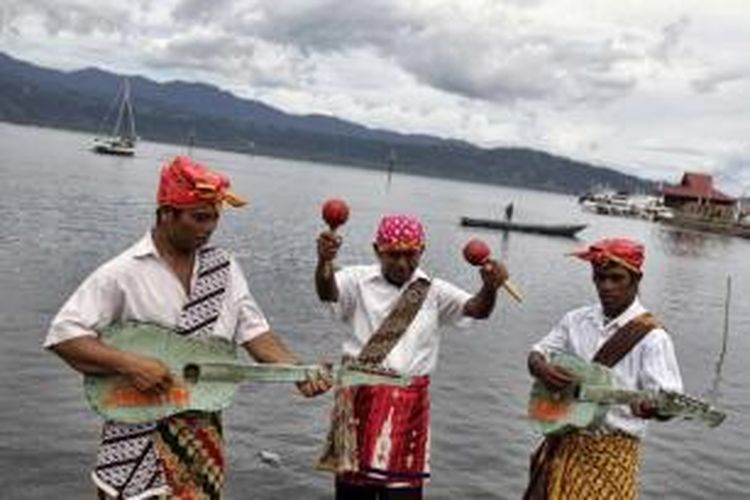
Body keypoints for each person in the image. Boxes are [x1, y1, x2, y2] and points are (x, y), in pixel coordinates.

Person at [44, 156, 331, 499]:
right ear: (166, 212)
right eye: (199, 217)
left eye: (214, 218)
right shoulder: (123, 272)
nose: (209, 228)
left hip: (202, 432)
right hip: (137, 430)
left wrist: (297, 370)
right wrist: (131, 364)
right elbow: (64, 335)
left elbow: (255, 333)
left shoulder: (223, 269)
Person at [315, 214, 509, 500]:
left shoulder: (433, 291)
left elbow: (477, 309)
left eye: (410, 255)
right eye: (394, 255)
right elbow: (327, 291)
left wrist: (490, 288)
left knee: (404, 493)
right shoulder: (356, 280)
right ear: (376, 250)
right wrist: (324, 262)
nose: (403, 263)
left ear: (422, 251)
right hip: (360, 401)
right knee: (353, 492)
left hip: (409, 407)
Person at [523, 238, 683, 500]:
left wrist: (654, 409)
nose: (606, 286)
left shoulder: (653, 338)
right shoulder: (576, 320)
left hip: (612, 453)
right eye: (599, 278)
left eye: (616, 278)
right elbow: (538, 352)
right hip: (563, 439)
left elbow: (669, 403)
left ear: (636, 279)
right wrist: (540, 368)